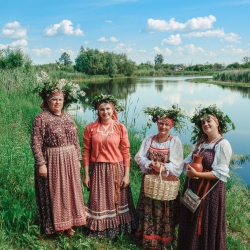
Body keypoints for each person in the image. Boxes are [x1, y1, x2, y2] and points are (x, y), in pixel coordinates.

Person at [31, 72, 86, 235]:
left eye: (60, 99)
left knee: (69, 191)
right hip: (52, 159)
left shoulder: (68, 117)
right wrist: (41, 163)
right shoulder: (41, 118)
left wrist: (78, 158)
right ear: (48, 102)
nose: (57, 102)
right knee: (54, 192)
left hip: (69, 159)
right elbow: (35, 142)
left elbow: (75, 139)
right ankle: (55, 226)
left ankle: (69, 224)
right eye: (54, 99)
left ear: (64, 101)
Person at [177, 104, 235, 250]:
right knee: (190, 221)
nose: (206, 124)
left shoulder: (223, 144)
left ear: (217, 123)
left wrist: (196, 174)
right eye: (203, 122)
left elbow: (220, 174)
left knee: (204, 224)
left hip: (209, 193)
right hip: (194, 190)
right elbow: (189, 159)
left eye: (209, 121)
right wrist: (187, 166)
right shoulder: (202, 143)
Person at [83, 93, 137, 239]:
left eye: (108, 109)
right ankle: (99, 230)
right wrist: (86, 174)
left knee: (117, 200)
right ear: (97, 111)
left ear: (113, 110)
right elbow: (86, 152)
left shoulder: (120, 128)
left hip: (116, 169)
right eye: (102, 109)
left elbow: (126, 152)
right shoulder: (91, 129)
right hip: (99, 170)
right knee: (98, 200)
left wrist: (126, 175)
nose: (105, 112)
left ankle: (119, 230)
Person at [134, 105, 187, 250]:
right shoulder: (149, 139)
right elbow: (139, 157)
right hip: (150, 181)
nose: (163, 126)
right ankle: (147, 238)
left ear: (171, 126)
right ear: (157, 123)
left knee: (164, 211)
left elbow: (177, 164)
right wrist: (151, 163)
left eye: (167, 124)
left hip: (166, 183)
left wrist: (163, 168)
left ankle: (163, 240)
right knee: (148, 208)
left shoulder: (174, 142)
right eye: (161, 123)